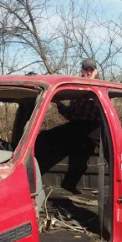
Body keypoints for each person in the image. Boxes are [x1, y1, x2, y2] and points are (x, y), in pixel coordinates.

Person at [35, 58, 104, 193]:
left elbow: (107, 112)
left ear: (96, 71)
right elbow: (70, 115)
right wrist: (59, 104)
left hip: (94, 127)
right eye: (86, 69)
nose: (89, 72)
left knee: (111, 149)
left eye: (91, 70)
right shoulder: (75, 89)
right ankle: (14, 147)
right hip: (76, 127)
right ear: (82, 71)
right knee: (47, 136)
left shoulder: (99, 88)